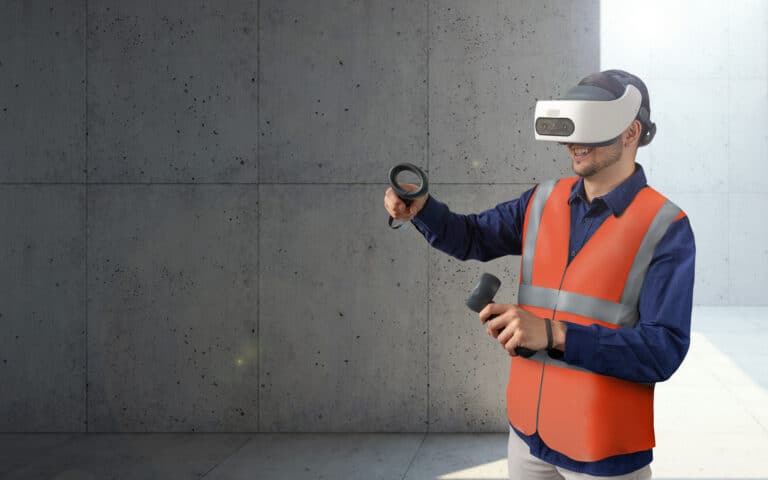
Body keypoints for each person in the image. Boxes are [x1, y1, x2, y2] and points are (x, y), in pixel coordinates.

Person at [383, 70, 695, 480]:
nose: (574, 142)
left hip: (604, 451)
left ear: (630, 132)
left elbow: (663, 350)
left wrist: (554, 333)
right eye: (571, 124)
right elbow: (472, 238)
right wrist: (423, 208)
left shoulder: (665, 226)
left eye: (591, 124)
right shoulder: (543, 200)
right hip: (530, 438)